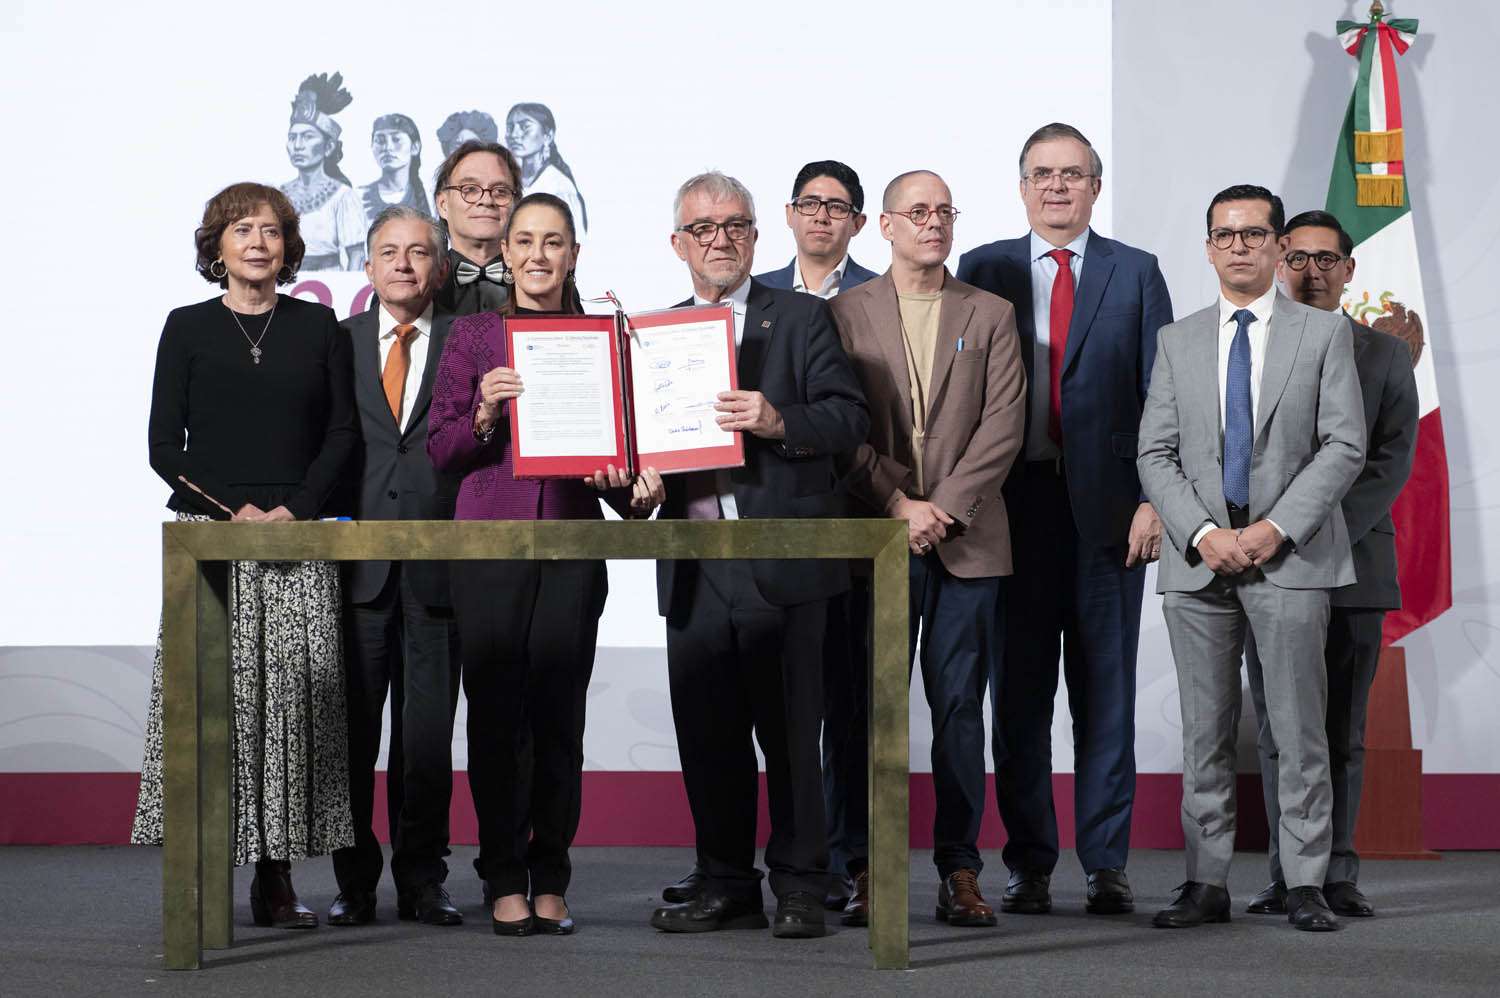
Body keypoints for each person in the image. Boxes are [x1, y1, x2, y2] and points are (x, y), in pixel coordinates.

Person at [427, 192, 665, 937]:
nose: (537, 255)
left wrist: (636, 490)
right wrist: (484, 413)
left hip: (570, 546)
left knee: (560, 718)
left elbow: (624, 468)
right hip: (488, 547)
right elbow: (441, 449)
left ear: (573, 255)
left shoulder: (607, 338)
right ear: (505, 253)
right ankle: (503, 875)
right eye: (524, 240)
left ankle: (552, 874)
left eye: (553, 241)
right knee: (496, 717)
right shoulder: (472, 334)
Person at [955, 122, 1174, 916]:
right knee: (1018, 701)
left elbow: (1163, 397)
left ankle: (1107, 865)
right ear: (1022, 187)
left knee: (1105, 698)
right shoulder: (982, 268)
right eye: (1042, 174)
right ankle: (1030, 864)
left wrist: (1155, 498)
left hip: (1111, 516)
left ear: (1094, 187)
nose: (1057, 186)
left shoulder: (1136, 272)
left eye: (1072, 174)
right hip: (1008, 512)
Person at [1137, 184, 1365, 932]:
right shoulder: (1177, 340)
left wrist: (1277, 528)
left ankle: (1304, 883)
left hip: (1290, 558)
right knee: (1204, 733)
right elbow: (1155, 452)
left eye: (1253, 234)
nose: (1238, 246)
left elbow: (1344, 445)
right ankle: (1206, 882)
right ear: (1209, 248)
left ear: (1277, 246)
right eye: (1224, 235)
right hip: (1198, 560)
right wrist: (1204, 533)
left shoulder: (1322, 335)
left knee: (1298, 731)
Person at [648, 172, 869, 940]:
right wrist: (633, 482)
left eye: (735, 225)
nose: (721, 239)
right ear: (678, 244)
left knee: (793, 737)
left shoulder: (803, 317)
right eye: (703, 228)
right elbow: (639, 456)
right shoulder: (651, 335)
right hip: (695, 564)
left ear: (755, 235)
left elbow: (848, 420)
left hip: (784, 561)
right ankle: (725, 883)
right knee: (708, 737)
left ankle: (803, 886)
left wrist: (779, 420)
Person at [133, 181, 359, 928]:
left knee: (292, 713)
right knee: (217, 709)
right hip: (212, 544)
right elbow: (164, 448)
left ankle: (276, 877)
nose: (258, 242)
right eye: (241, 229)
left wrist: (295, 509)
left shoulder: (318, 326)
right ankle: (204, 873)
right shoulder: (186, 327)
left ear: (288, 246)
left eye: (270, 230)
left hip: (300, 540)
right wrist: (236, 512)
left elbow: (342, 435)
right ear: (217, 246)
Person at [830, 170, 1024, 928]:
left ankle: (960, 870)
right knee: (861, 711)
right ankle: (861, 867)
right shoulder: (844, 312)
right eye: (918, 211)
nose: (934, 222)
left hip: (967, 540)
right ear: (884, 225)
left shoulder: (990, 311)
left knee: (960, 712)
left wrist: (940, 508)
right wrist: (896, 503)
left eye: (945, 211)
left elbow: (1004, 423)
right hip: (876, 538)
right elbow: (839, 427)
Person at [1243, 210, 1418, 919]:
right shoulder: (1250, 344)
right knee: (1279, 730)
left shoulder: (1386, 355)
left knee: (1340, 729)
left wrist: (1305, 528)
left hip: (1354, 564)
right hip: (1267, 565)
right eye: (1298, 258)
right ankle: (1288, 873)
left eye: (1326, 260)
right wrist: (1270, 534)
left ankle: (1337, 870)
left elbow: (1390, 461)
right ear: (1278, 263)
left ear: (1349, 270)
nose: (1311, 272)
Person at [329, 206, 464, 928]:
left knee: (427, 740)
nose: (404, 265)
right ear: (369, 266)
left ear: (438, 267)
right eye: (390, 252)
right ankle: (354, 884)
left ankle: (423, 879)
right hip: (359, 572)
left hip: (441, 568)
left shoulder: (468, 341)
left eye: (418, 253)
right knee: (353, 736)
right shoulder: (339, 341)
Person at [281, 72, 367, 271]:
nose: (298, 145)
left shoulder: (343, 196)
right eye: (293, 138)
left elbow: (356, 256)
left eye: (307, 137)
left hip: (328, 283)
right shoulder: (278, 195)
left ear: (328, 147)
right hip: (285, 282)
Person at [432, 140, 522, 315]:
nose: (486, 200)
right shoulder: (419, 282)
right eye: (470, 189)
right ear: (443, 204)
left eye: (500, 191)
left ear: (516, 206)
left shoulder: (544, 284)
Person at [505, 103, 588, 234]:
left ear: (548, 136)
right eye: (510, 127)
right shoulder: (508, 180)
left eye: (525, 127)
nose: (514, 135)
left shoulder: (559, 187)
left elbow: (576, 238)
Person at [360, 114, 429, 226]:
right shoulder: (358, 197)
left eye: (396, 139)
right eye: (380, 141)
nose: (388, 148)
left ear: (415, 147)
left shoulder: (430, 197)